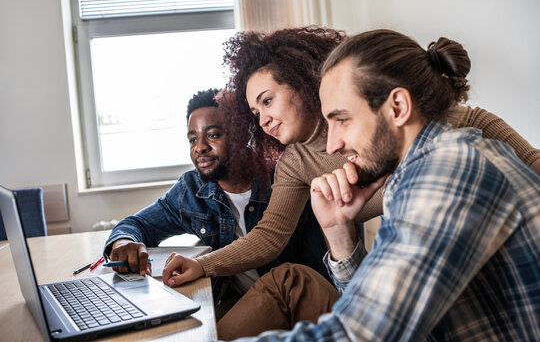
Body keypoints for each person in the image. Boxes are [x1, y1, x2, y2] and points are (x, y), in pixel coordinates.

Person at [162, 27, 540, 293]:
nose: (263, 120)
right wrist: (204, 265)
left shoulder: (434, 130)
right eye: (254, 111)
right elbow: (270, 236)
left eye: (267, 101)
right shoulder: (295, 162)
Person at [103, 88, 327, 316]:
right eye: (192, 139)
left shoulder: (286, 177)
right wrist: (123, 242)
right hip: (237, 301)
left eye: (213, 135)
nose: (199, 147)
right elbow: (137, 224)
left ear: (242, 135)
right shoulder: (191, 191)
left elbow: (316, 266)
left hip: (300, 305)